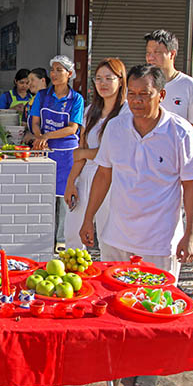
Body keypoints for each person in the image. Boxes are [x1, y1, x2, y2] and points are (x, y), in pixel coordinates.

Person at [79, 64, 193, 386]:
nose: (135, 100)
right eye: (131, 94)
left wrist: (191, 235)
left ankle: (151, 364)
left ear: (161, 95)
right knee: (117, 302)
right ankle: (121, 359)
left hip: (160, 238)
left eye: (143, 94)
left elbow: (191, 186)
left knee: (157, 306)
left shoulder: (180, 132)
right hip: (117, 233)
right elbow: (104, 173)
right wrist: (89, 217)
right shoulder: (117, 128)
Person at [63, 58, 128, 250]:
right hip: (86, 176)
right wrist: (70, 183)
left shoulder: (127, 113)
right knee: (72, 233)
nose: (103, 83)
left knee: (107, 238)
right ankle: (74, 277)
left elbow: (116, 153)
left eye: (109, 78)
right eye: (99, 79)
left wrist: (85, 153)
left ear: (121, 80)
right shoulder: (91, 111)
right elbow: (78, 154)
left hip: (113, 178)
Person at [25, 55, 84, 249]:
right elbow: (35, 121)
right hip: (45, 151)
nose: (55, 74)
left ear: (69, 74)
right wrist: (39, 135)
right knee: (45, 196)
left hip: (67, 154)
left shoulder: (76, 99)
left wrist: (45, 137)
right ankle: (43, 240)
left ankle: (62, 240)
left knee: (65, 198)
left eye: (60, 70)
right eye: (53, 70)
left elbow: (72, 128)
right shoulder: (43, 96)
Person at [144, 29, 193, 134]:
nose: (150, 58)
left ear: (172, 54)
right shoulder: (140, 84)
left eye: (156, 52)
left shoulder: (191, 86)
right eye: (148, 53)